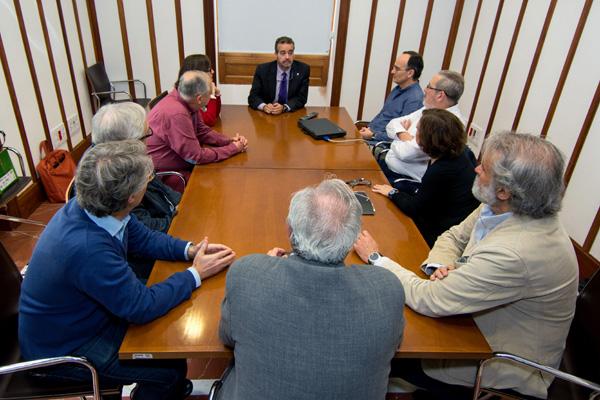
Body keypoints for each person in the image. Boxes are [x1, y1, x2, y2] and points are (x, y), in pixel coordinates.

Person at [354, 132, 579, 399]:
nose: (476, 168)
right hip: (469, 324)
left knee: (374, 350)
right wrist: (440, 266)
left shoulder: (517, 251)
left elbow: (431, 299)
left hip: (499, 362)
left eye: (485, 167)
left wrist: (376, 259)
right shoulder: (500, 207)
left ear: (505, 190)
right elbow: (453, 236)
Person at [19, 140, 236, 400]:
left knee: (170, 352)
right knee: (167, 370)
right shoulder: (88, 248)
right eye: (148, 178)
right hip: (63, 350)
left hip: (79, 318)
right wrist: (195, 274)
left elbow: (144, 239)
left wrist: (189, 250)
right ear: (132, 197)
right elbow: (139, 307)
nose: (151, 181)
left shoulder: (96, 208)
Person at [216, 179, 405, 400]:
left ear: (289, 231)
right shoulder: (387, 289)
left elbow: (226, 336)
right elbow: (396, 342)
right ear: (354, 239)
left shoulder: (247, 273)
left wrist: (264, 271)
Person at [370, 109, 479, 247]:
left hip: (440, 234)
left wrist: (392, 192)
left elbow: (415, 208)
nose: (413, 135)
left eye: (417, 131)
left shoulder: (442, 169)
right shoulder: (462, 152)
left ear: (429, 137)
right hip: (450, 219)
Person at [147, 70, 248, 191]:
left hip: (183, 162)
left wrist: (229, 140)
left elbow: (202, 131)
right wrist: (233, 148)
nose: (211, 99)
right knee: (219, 185)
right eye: (210, 96)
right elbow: (196, 156)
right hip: (167, 175)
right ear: (199, 98)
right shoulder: (177, 113)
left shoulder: (186, 99)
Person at [92, 102, 181, 233]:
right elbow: (147, 229)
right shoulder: (110, 180)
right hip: (161, 236)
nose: (149, 142)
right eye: (146, 135)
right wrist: (177, 218)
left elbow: (160, 188)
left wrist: (179, 204)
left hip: (167, 218)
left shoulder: (131, 159)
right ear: (129, 143)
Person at [381, 70, 465, 185]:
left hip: (405, 180)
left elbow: (406, 154)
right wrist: (405, 135)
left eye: (429, 86)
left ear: (440, 95)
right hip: (390, 168)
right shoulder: (429, 108)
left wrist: (396, 137)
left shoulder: (449, 124)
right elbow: (392, 124)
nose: (424, 90)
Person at [358, 51, 424, 144]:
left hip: (381, 144)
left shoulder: (415, 99)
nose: (392, 71)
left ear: (410, 73)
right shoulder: (398, 88)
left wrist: (373, 135)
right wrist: (369, 128)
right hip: (370, 136)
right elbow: (383, 114)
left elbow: (402, 135)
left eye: (397, 69)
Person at [248, 36, 310, 114]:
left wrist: (284, 107)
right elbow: (253, 97)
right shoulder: (263, 70)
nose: (287, 57)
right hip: (268, 115)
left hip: (290, 114)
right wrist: (264, 106)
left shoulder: (303, 69)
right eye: (283, 53)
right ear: (276, 54)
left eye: (290, 52)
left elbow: (301, 98)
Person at [174, 54, 221, 126]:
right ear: (199, 73)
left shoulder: (197, 89)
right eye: (209, 69)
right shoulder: (188, 93)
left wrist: (216, 94)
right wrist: (212, 95)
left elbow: (215, 115)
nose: (213, 71)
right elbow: (209, 121)